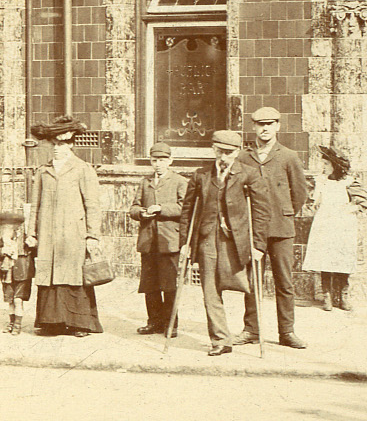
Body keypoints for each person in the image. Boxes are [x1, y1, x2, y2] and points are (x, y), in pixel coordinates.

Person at [237, 105, 311, 349]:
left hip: (281, 229)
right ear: (254, 126)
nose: (265, 128)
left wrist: (284, 213)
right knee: (252, 281)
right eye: (260, 124)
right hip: (253, 230)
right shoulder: (244, 157)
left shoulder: (288, 156)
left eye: (270, 124)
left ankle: (287, 332)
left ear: (278, 126)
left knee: (285, 282)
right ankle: (251, 329)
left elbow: (299, 193)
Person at [179, 128, 257, 356]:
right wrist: (185, 242)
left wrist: (259, 245)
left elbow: (261, 213)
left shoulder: (249, 174)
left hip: (237, 241)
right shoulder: (200, 175)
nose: (223, 157)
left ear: (237, 152)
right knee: (210, 290)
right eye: (219, 151)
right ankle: (221, 340)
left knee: (247, 285)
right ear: (213, 149)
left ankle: (252, 329)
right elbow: (187, 211)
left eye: (229, 152)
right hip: (207, 239)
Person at [25, 115, 104, 336]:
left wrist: (92, 235)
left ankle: (80, 324)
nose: (56, 149)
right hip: (48, 235)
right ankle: (51, 323)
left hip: (73, 235)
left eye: (61, 145)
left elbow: (92, 205)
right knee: (49, 276)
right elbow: (35, 205)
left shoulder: (83, 169)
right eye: (54, 145)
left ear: (70, 145)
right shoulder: (43, 171)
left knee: (73, 276)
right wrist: (31, 233)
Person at [302, 146, 367, 310]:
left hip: (343, 225)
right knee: (325, 259)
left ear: (335, 165)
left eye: (326, 164)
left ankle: (343, 296)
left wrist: (352, 208)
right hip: (325, 223)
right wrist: (315, 201)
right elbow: (313, 202)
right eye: (323, 164)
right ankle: (326, 297)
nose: (324, 167)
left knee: (343, 259)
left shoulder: (349, 182)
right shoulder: (321, 181)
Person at [132, 142, 188, 335]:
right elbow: (133, 207)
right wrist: (141, 213)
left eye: (162, 160)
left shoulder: (179, 181)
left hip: (169, 241)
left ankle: (171, 324)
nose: (158, 164)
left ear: (170, 160)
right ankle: (154, 322)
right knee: (150, 284)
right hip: (148, 241)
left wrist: (161, 208)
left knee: (169, 284)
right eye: (155, 160)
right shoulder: (145, 182)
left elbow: (184, 207)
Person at [0, 209, 33, 334]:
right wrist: (2, 251)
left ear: (16, 229)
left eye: (8, 229)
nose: (4, 232)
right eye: (3, 229)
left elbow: (32, 253)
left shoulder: (24, 241)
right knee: (10, 300)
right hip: (7, 274)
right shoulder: (1, 242)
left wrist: (32, 245)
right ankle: (11, 322)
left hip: (22, 274)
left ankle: (17, 325)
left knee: (18, 300)